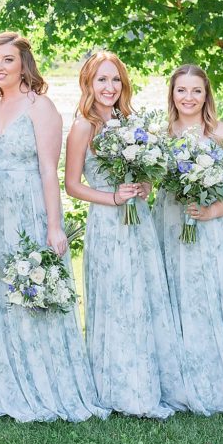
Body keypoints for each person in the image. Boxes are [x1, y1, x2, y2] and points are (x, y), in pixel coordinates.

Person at [0, 32, 107, 422]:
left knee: (32, 289)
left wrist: (54, 227)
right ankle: (5, 377)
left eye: (7, 60)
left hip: (28, 205)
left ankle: (45, 379)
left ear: (24, 64)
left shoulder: (40, 107)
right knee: (0, 292)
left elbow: (50, 171)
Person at [64, 51, 188, 418]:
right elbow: (72, 185)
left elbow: (145, 172)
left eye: (115, 79)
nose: (109, 87)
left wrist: (144, 185)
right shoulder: (83, 126)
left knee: (143, 297)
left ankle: (150, 381)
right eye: (101, 79)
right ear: (88, 83)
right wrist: (113, 197)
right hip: (106, 223)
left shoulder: (131, 122)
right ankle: (118, 386)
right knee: (117, 300)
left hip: (140, 224)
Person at [151, 64, 223, 415]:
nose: (189, 98)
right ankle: (177, 379)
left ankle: (217, 376)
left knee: (207, 294)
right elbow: (153, 181)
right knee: (175, 293)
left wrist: (212, 211)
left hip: (212, 226)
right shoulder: (162, 134)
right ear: (172, 94)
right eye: (181, 90)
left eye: (196, 91)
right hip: (169, 222)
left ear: (206, 94)